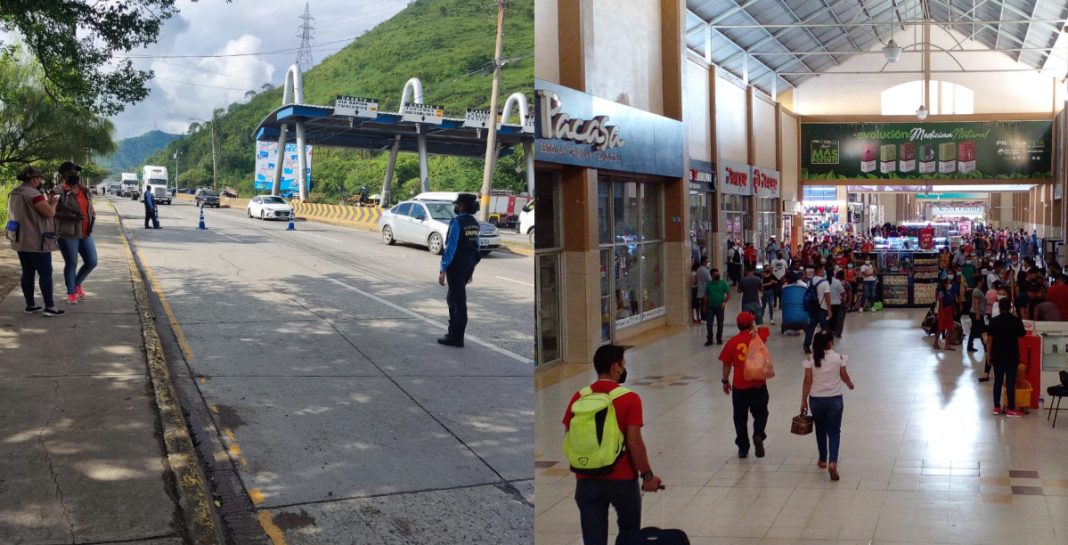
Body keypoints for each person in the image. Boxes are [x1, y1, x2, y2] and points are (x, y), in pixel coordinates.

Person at [564, 344, 662, 545]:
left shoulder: (579, 396)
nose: (624, 368)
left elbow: (570, 435)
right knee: (630, 536)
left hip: (586, 478)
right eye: (623, 364)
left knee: (593, 539)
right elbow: (634, 443)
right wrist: (648, 475)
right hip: (622, 480)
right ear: (615, 367)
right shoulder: (630, 398)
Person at [7, 166, 64, 316]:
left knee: (27, 272)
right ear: (34, 179)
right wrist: (54, 202)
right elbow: (49, 213)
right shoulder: (33, 194)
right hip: (37, 240)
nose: (40, 181)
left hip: (20, 239)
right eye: (39, 178)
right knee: (45, 273)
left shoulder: (13, 193)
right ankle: (50, 306)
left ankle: (30, 305)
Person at [801, 331, 855, 481]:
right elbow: (843, 375)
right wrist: (849, 384)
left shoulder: (811, 360)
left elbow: (807, 381)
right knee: (834, 431)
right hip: (835, 400)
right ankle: (833, 462)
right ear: (831, 343)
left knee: (820, 429)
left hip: (816, 400)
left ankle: (823, 459)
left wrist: (803, 400)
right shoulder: (839, 358)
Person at [720, 312, 771, 458]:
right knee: (761, 413)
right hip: (758, 383)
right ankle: (758, 435)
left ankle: (743, 448)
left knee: (740, 418)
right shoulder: (758, 337)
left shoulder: (732, 342)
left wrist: (725, 381)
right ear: (751, 324)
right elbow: (766, 329)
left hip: (739, 386)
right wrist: (756, 328)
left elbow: (726, 365)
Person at [437, 193, 482, 347]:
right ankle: (452, 333)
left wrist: (443, 269)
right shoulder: (474, 223)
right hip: (468, 265)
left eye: (457, 204)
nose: (456, 207)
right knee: (452, 299)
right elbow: (477, 248)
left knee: (459, 302)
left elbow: (451, 247)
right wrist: (471, 270)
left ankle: (456, 338)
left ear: (461, 206)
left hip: (456, 266)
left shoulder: (457, 222)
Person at [53, 162, 97, 305]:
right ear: (63, 174)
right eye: (70, 171)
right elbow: (51, 211)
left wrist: (92, 216)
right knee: (71, 262)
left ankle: (76, 283)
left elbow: (88, 207)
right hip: (68, 233)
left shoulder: (84, 190)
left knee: (92, 261)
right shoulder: (58, 191)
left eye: (75, 171)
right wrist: (68, 216)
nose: (73, 173)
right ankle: (71, 293)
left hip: (86, 232)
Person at [986, 299, 1026, 417]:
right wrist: (1016, 317)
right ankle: (1010, 408)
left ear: (999, 308)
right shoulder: (1015, 321)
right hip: (1012, 357)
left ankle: (996, 407)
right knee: (1010, 382)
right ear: (1010, 307)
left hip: (997, 356)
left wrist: (989, 355)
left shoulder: (994, 321)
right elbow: (1022, 334)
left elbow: (989, 340)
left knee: (997, 381)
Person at [803, 263, 832, 355]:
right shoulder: (825, 282)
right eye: (823, 270)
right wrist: (830, 310)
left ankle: (807, 345)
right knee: (824, 328)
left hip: (812, 308)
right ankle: (825, 345)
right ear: (819, 271)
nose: (824, 271)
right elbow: (827, 296)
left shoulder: (809, 281)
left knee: (811, 327)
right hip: (822, 308)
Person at [704, 268, 730, 346]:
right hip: (710, 307)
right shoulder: (709, 284)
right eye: (715, 274)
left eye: (718, 274)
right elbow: (706, 295)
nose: (717, 275)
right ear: (712, 275)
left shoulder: (723, 283)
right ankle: (710, 339)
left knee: (720, 323)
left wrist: (724, 303)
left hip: (720, 307)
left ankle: (719, 338)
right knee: (709, 324)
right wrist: (704, 305)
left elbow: (728, 294)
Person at [933, 278, 957, 351]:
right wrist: (942, 313)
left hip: (949, 311)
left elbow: (951, 301)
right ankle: (935, 342)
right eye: (948, 283)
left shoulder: (948, 291)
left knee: (949, 328)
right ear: (945, 284)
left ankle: (946, 345)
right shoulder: (941, 292)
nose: (950, 284)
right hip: (943, 311)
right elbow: (940, 303)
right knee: (941, 328)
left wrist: (954, 309)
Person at [967, 277, 988, 353]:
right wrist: (978, 314)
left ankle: (970, 346)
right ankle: (985, 347)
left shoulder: (978, 290)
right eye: (982, 281)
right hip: (976, 313)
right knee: (981, 330)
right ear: (979, 282)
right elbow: (976, 303)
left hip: (977, 313)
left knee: (975, 330)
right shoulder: (977, 291)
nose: (983, 282)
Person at [830, 270, 847, 339]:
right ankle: (837, 333)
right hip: (837, 303)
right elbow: (843, 293)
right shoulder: (837, 282)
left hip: (827, 304)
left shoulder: (824, 281)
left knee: (830, 319)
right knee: (839, 319)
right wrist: (844, 300)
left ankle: (830, 331)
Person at [695, 257, 711, 324]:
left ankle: (702, 318)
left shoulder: (698, 269)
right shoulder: (705, 270)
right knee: (705, 305)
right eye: (707, 261)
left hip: (700, 290)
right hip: (705, 290)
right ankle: (705, 318)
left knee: (702, 304)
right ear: (703, 262)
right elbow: (709, 280)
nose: (707, 263)